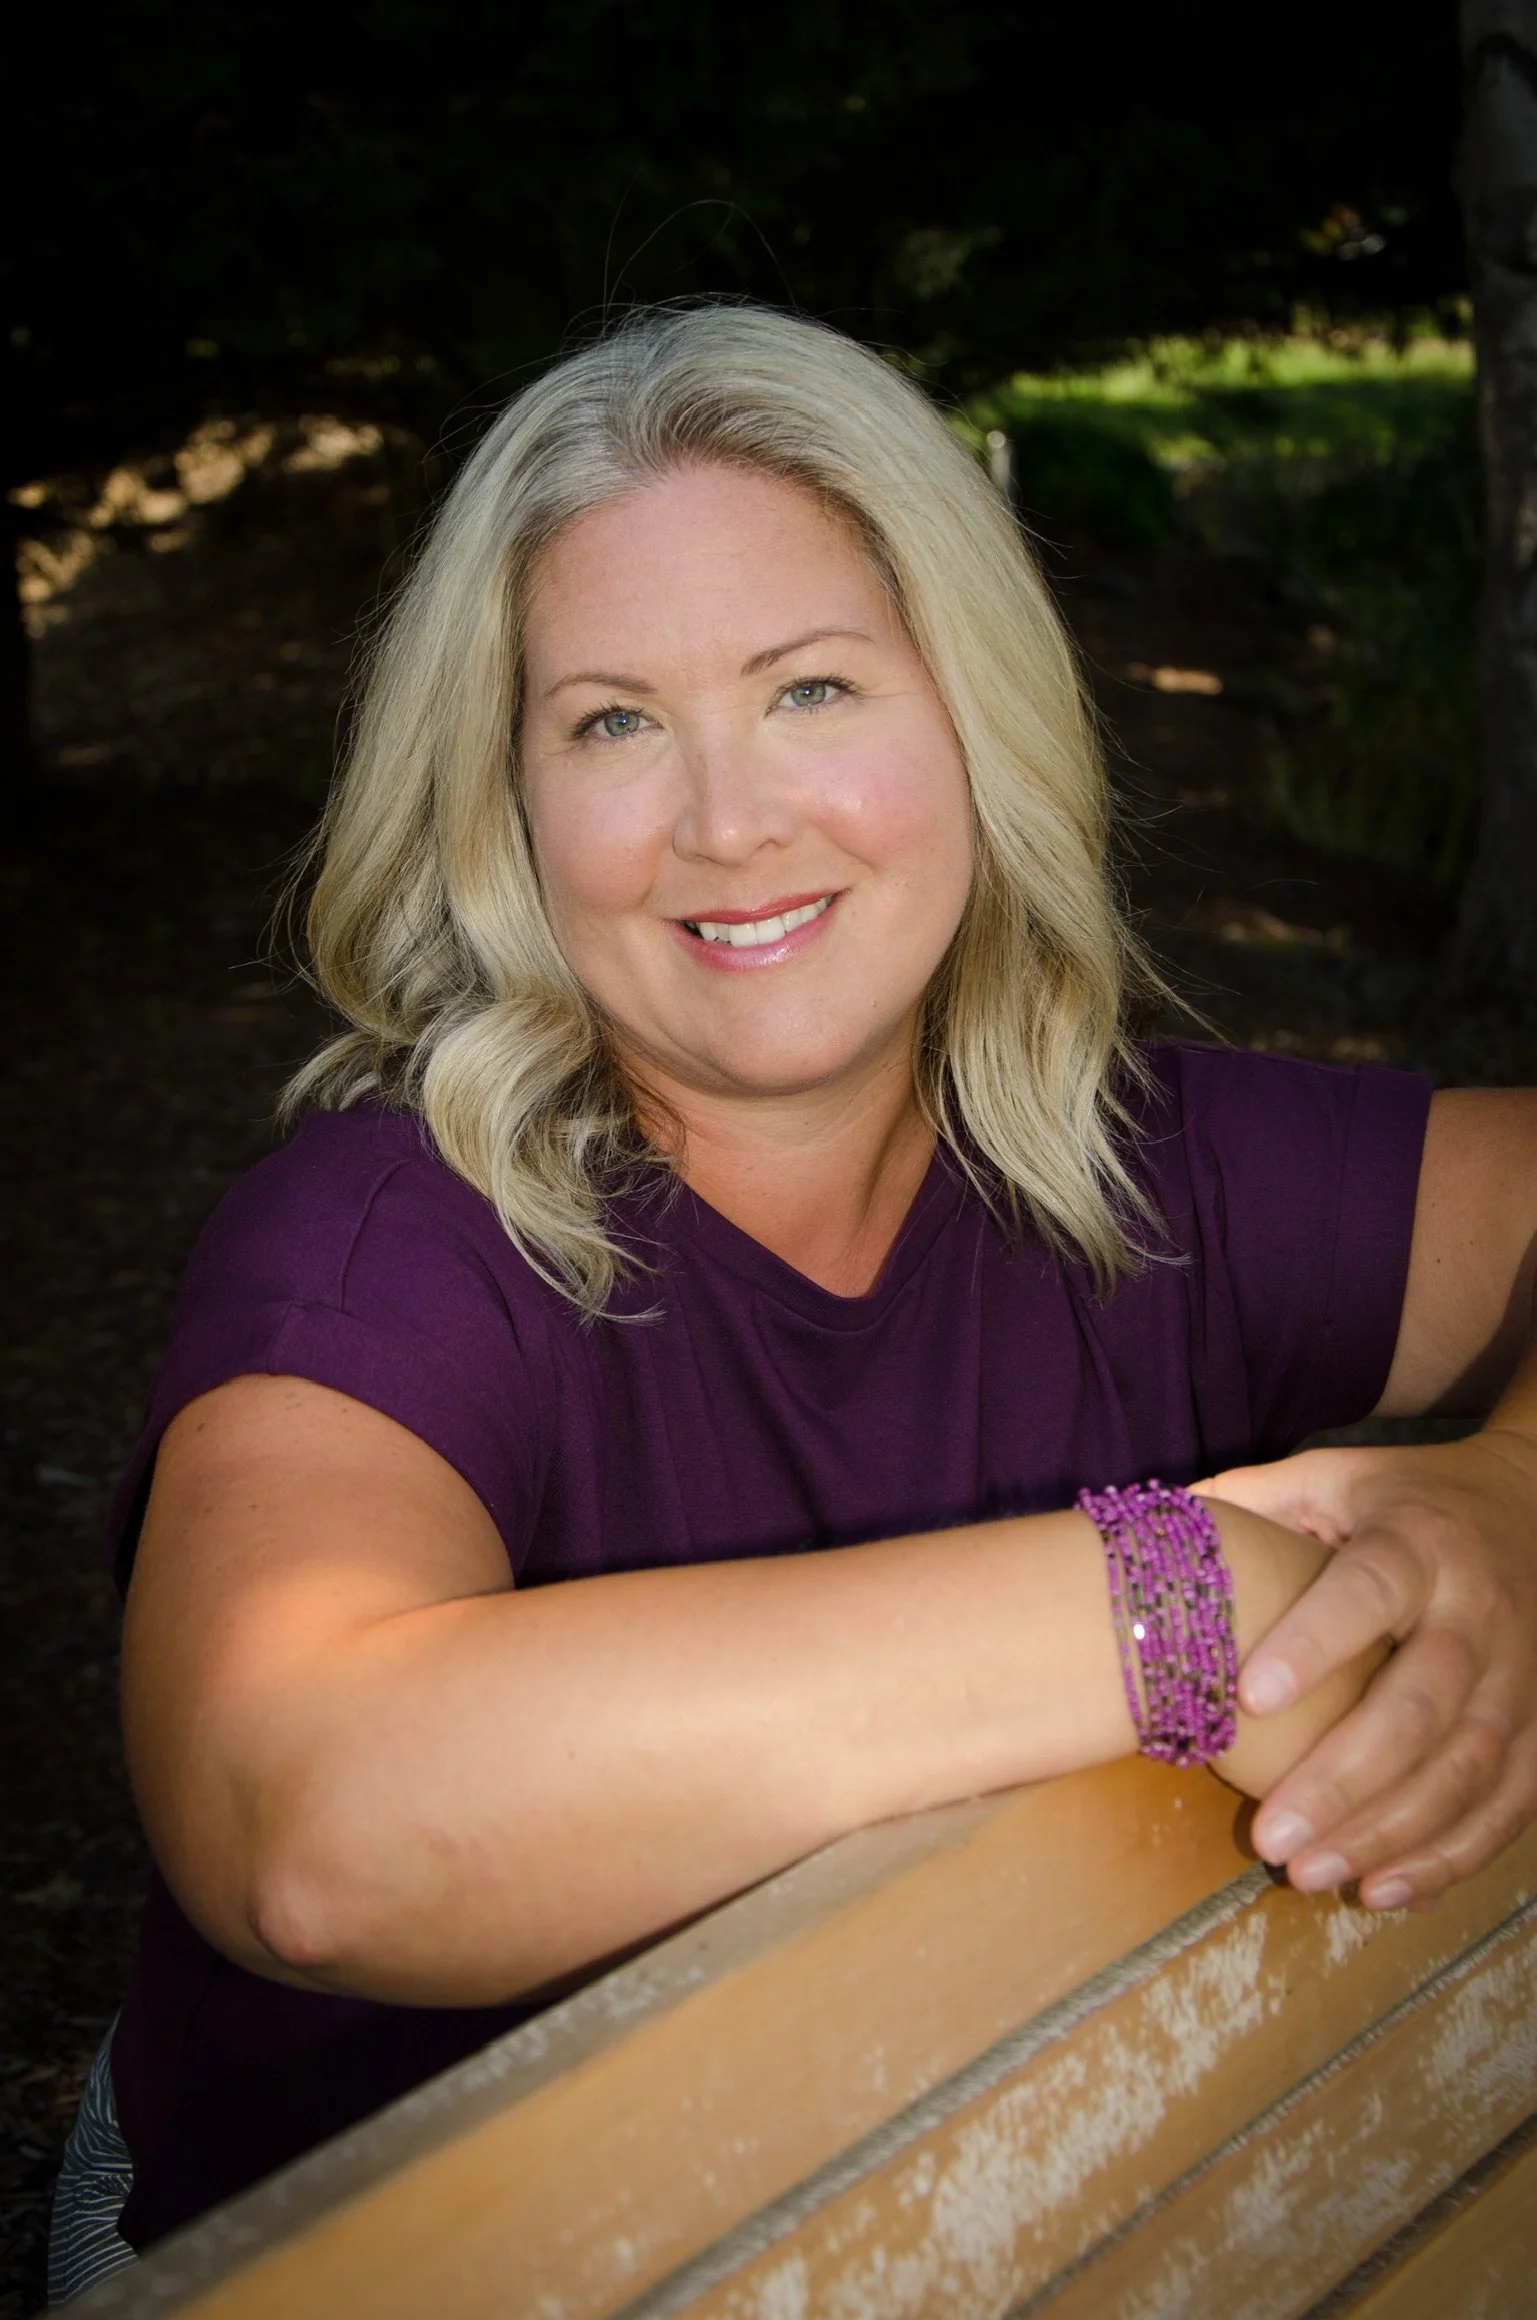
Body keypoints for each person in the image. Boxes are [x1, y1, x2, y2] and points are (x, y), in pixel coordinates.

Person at [49, 304, 1537, 2299]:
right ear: (506, 810)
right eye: (612, 721)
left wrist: (1520, 1489)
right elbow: (307, 1819)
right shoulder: (379, 1243)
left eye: (812, 686)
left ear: (973, 716)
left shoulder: (1147, 1166)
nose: (728, 819)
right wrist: (1196, 1594)